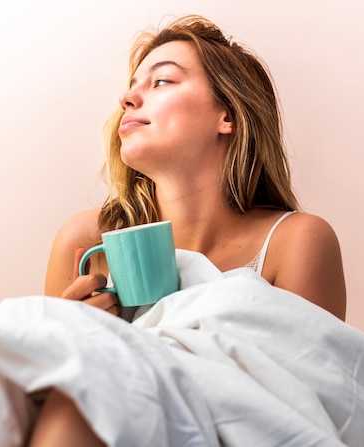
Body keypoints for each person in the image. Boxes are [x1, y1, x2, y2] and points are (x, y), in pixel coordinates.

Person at [31, 14, 346, 446]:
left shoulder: (296, 242)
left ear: (228, 116)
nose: (128, 98)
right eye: (132, 85)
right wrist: (71, 343)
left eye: (161, 82)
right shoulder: (86, 240)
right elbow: (40, 395)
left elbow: (310, 412)